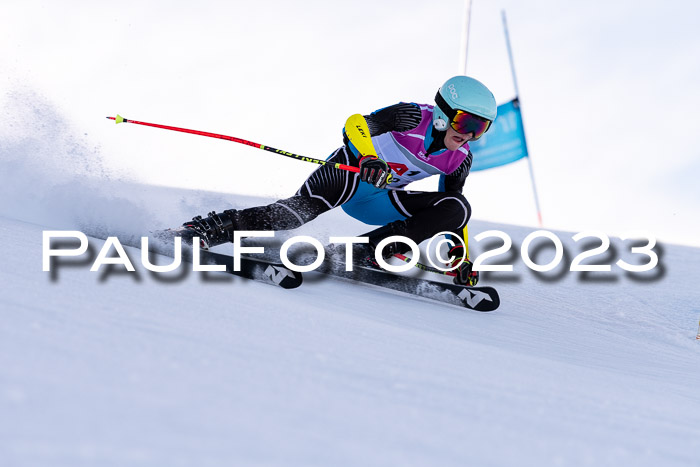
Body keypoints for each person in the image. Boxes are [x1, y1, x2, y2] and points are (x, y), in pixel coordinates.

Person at [179, 75, 497, 286]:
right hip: (350, 172)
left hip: (380, 200)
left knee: (457, 205)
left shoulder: (460, 157)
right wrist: (369, 158)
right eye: (466, 121)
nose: (469, 133)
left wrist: (460, 258)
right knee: (294, 215)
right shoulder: (412, 116)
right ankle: (205, 230)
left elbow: (454, 214)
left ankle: (370, 251)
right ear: (443, 112)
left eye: (480, 128)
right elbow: (356, 124)